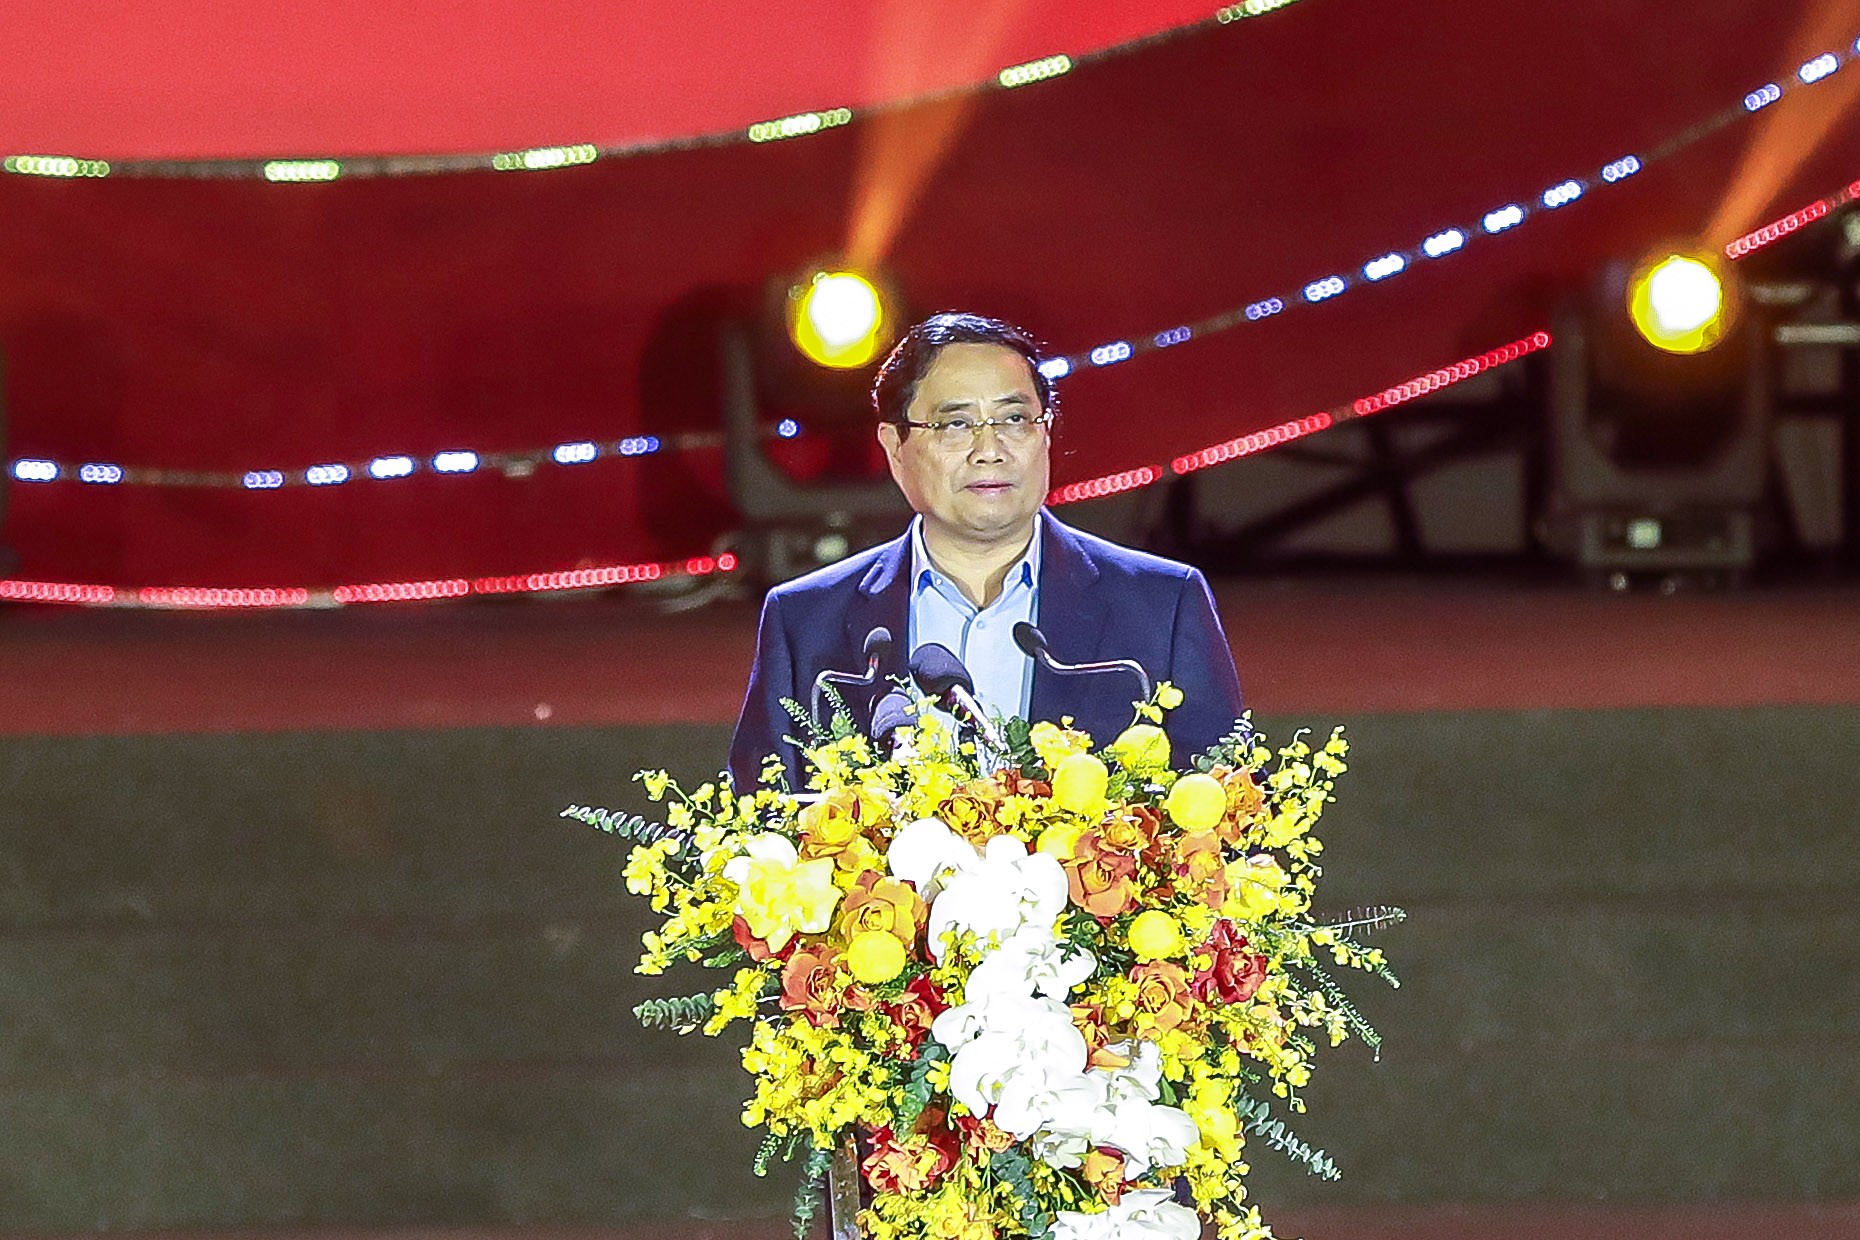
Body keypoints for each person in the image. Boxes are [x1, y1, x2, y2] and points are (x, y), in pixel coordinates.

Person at [729, 312, 1243, 787]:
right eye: (956, 424)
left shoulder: (1162, 606)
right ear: (895, 448)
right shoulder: (806, 621)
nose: (990, 450)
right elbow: (762, 827)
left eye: (1014, 419)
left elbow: (1224, 819)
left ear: (1046, 435)